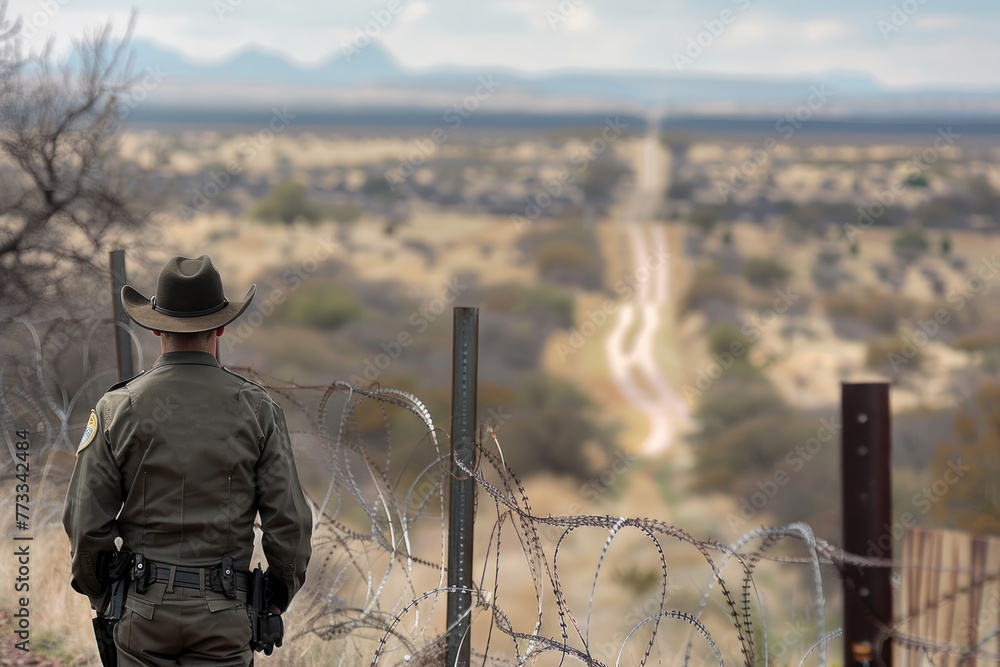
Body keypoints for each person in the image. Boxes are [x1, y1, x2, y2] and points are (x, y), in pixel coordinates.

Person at [63, 255, 313, 666]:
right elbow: (290, 523)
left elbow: (84, 519)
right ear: (221, 326)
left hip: (141, 611)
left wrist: (103, 592)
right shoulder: (257, 409)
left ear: (156, 327)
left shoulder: (118, 407)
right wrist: (276, 596)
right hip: (225, 614)